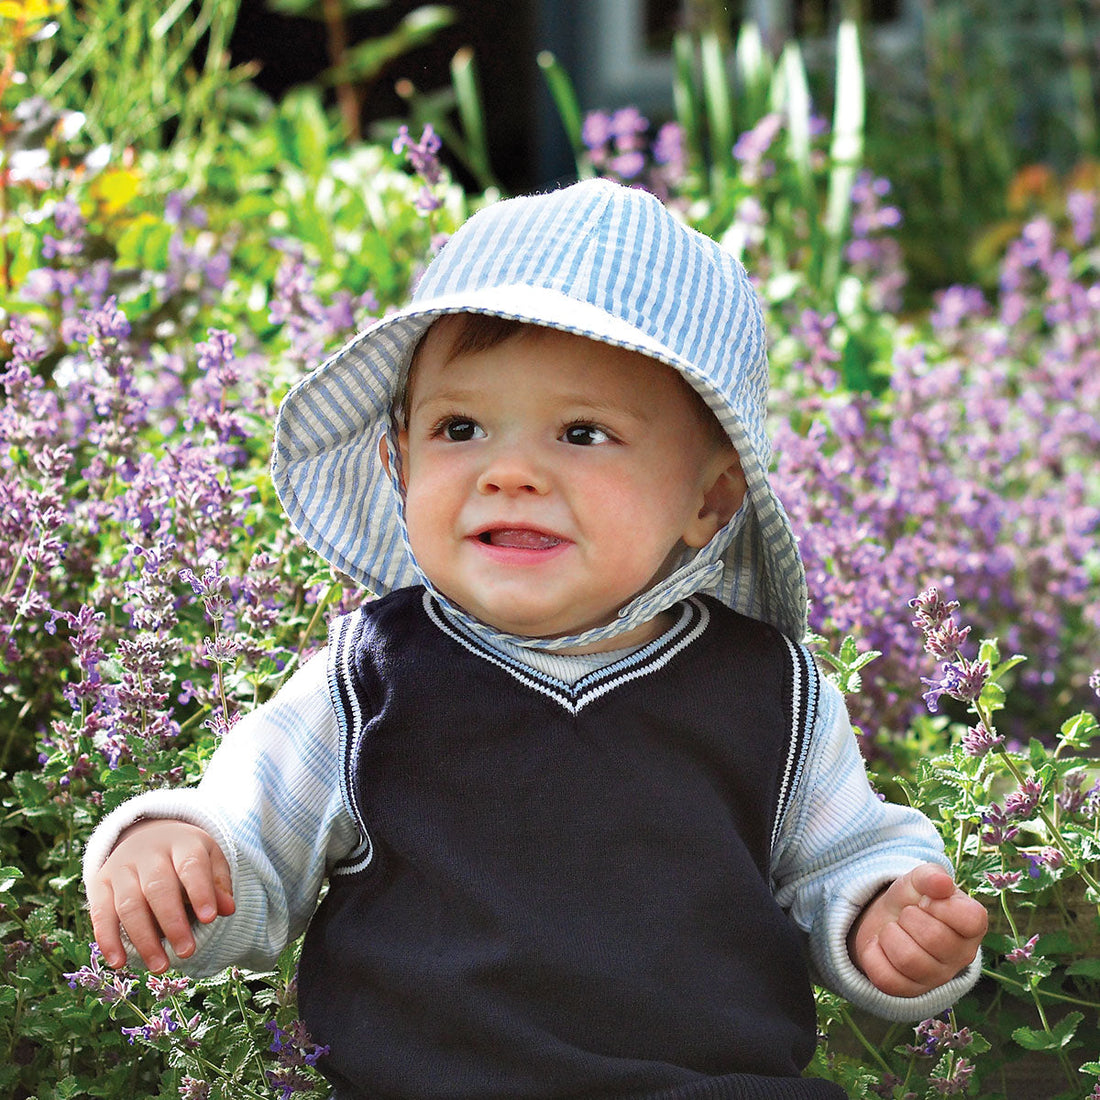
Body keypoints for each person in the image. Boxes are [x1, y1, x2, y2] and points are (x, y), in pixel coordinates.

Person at [84, 178, 987, 1099]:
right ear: (400, 461)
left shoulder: (772, 694)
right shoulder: (368, 680)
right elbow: (248, 843)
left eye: (583, 433)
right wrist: (175, 857)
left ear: (710, 499)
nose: (509, 472)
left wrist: (887, 922)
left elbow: (846, 858)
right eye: (460, 428)